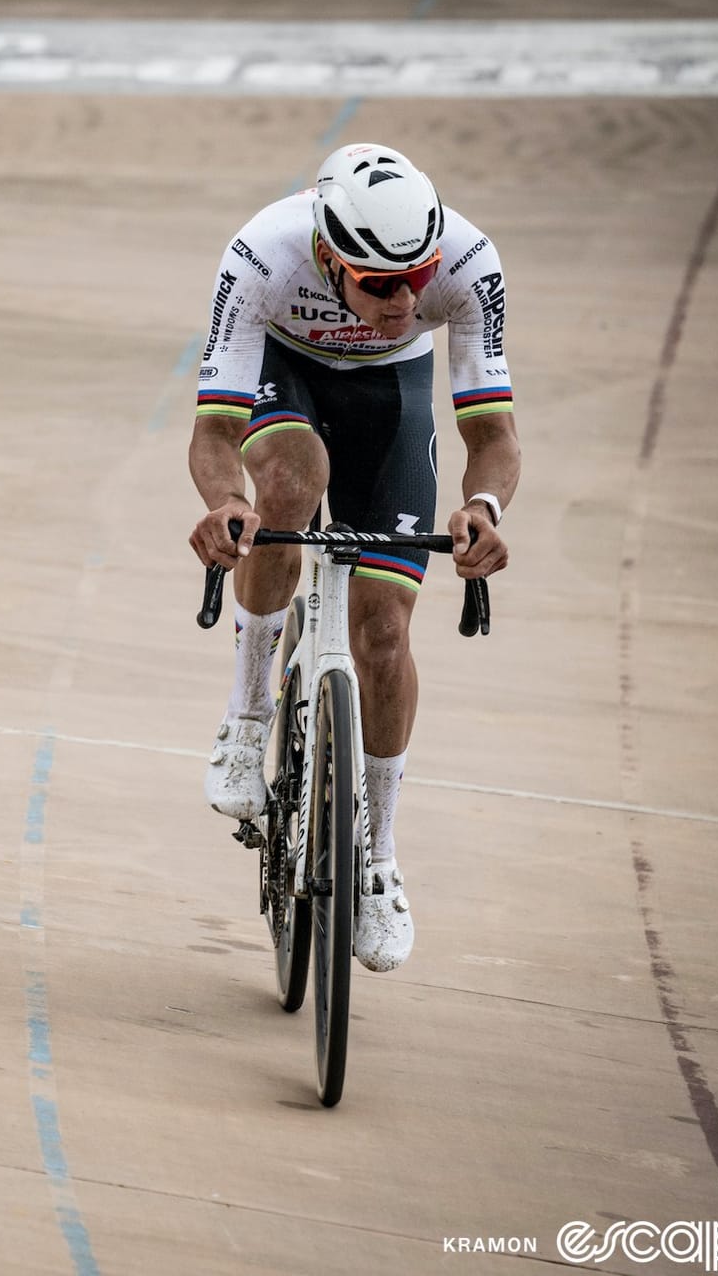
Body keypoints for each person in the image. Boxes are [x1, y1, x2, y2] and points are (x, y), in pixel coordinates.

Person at [185, 142, 520, 973]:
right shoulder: (263, 253)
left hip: (390, 395)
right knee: (292, 484)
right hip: (284, 373)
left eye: (418, 277)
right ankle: (247, 715)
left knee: (382, 635)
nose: (405, 299)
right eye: (378, 283)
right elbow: (214, 432)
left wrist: (483, 509)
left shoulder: (470, 266)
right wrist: (228, 503)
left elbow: (492, 433)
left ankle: (376, 855)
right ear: (329, 258)